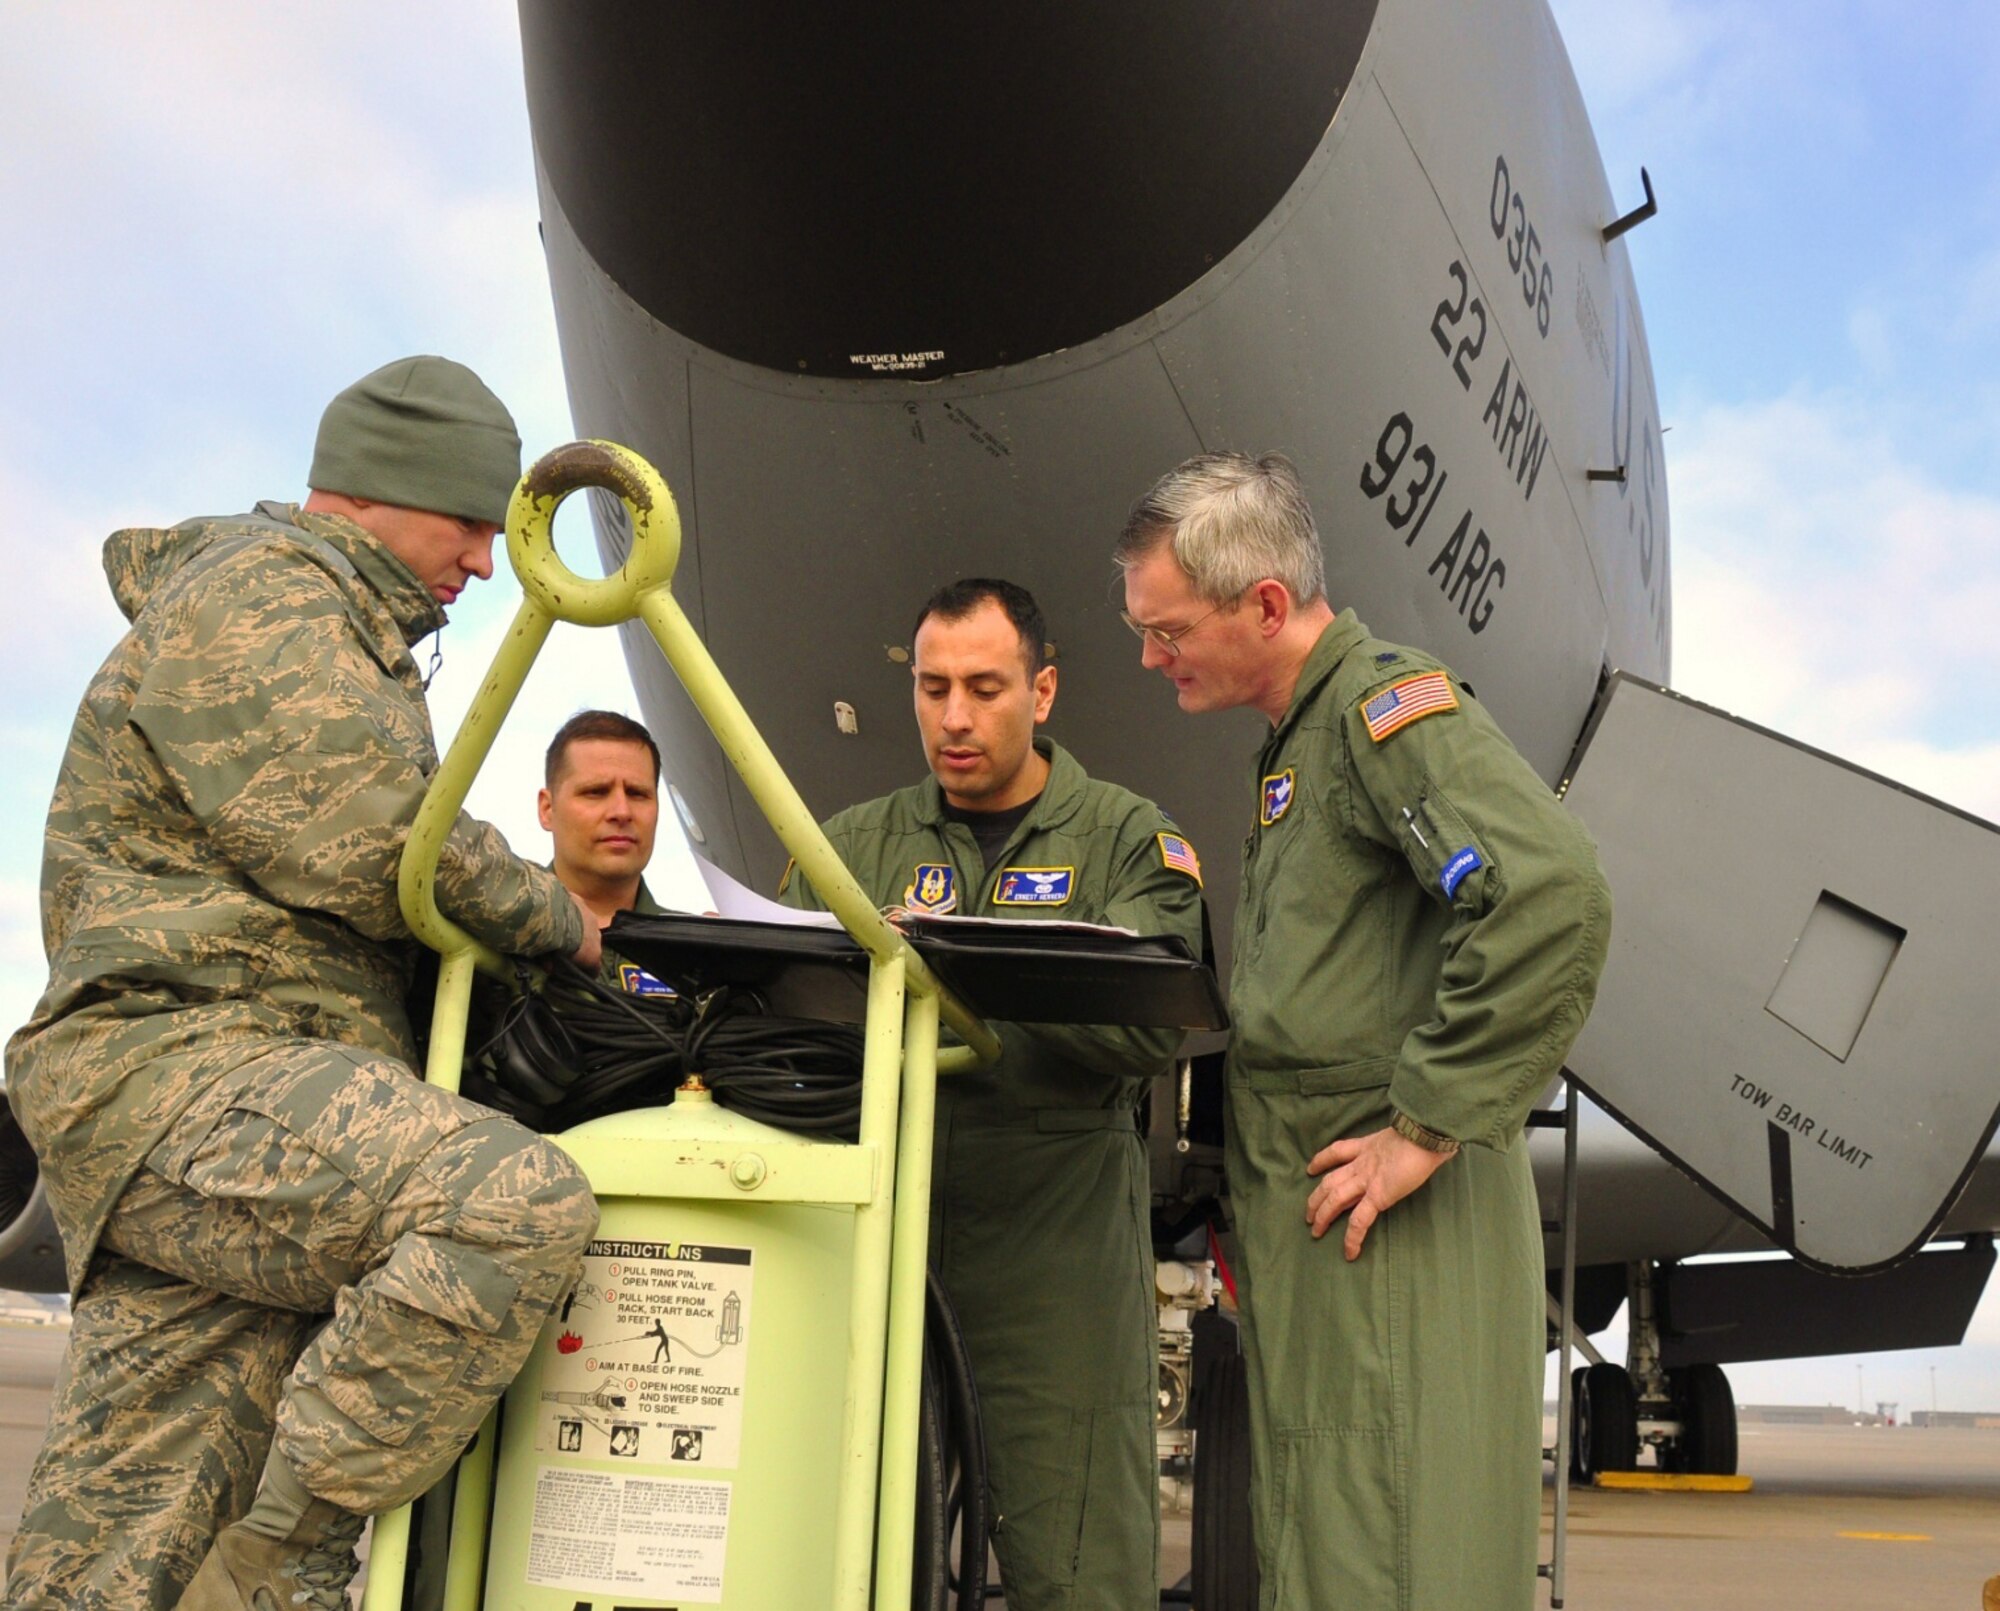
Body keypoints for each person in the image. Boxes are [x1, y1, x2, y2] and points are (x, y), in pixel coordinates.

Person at [2, 357, 605, 1611]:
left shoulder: (320, 622)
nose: (486, 564)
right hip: (191, 1071)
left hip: (208, 1098)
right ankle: (293, 1546)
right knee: (508, 1205)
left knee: (114, 1539)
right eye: (470, 524)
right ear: (389, 493)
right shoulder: (270, 599)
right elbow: (379, 838)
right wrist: (561, 921)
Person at [1114, 453, 1611, 1609]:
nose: (1148, 655)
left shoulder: (1384, 713)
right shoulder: (1302, 741)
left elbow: (1545, 893)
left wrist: (1421, 1129)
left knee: (1389, 1546)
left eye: (1167, 628)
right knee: (1327, 1534)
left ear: (1266, 606)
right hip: (1325, 1229)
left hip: (1384, 1222)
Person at [781, 578, 1204, 1611]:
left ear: (1043, 690)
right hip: (883, 1242)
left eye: (982, 686)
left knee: (1076, 1563)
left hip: (1052, 1258)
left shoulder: (1124, 839)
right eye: (932, 689)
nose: (953, 718)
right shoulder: (849, 848)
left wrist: (962, 976)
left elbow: (1153, 1019)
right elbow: (780, 1020)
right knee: (854, 1557)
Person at [538, 709, 673, 992]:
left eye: (638, 793)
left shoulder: (698, 952)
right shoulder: (501, 939)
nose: (622, 812)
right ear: (547, 809)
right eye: (596, 792)